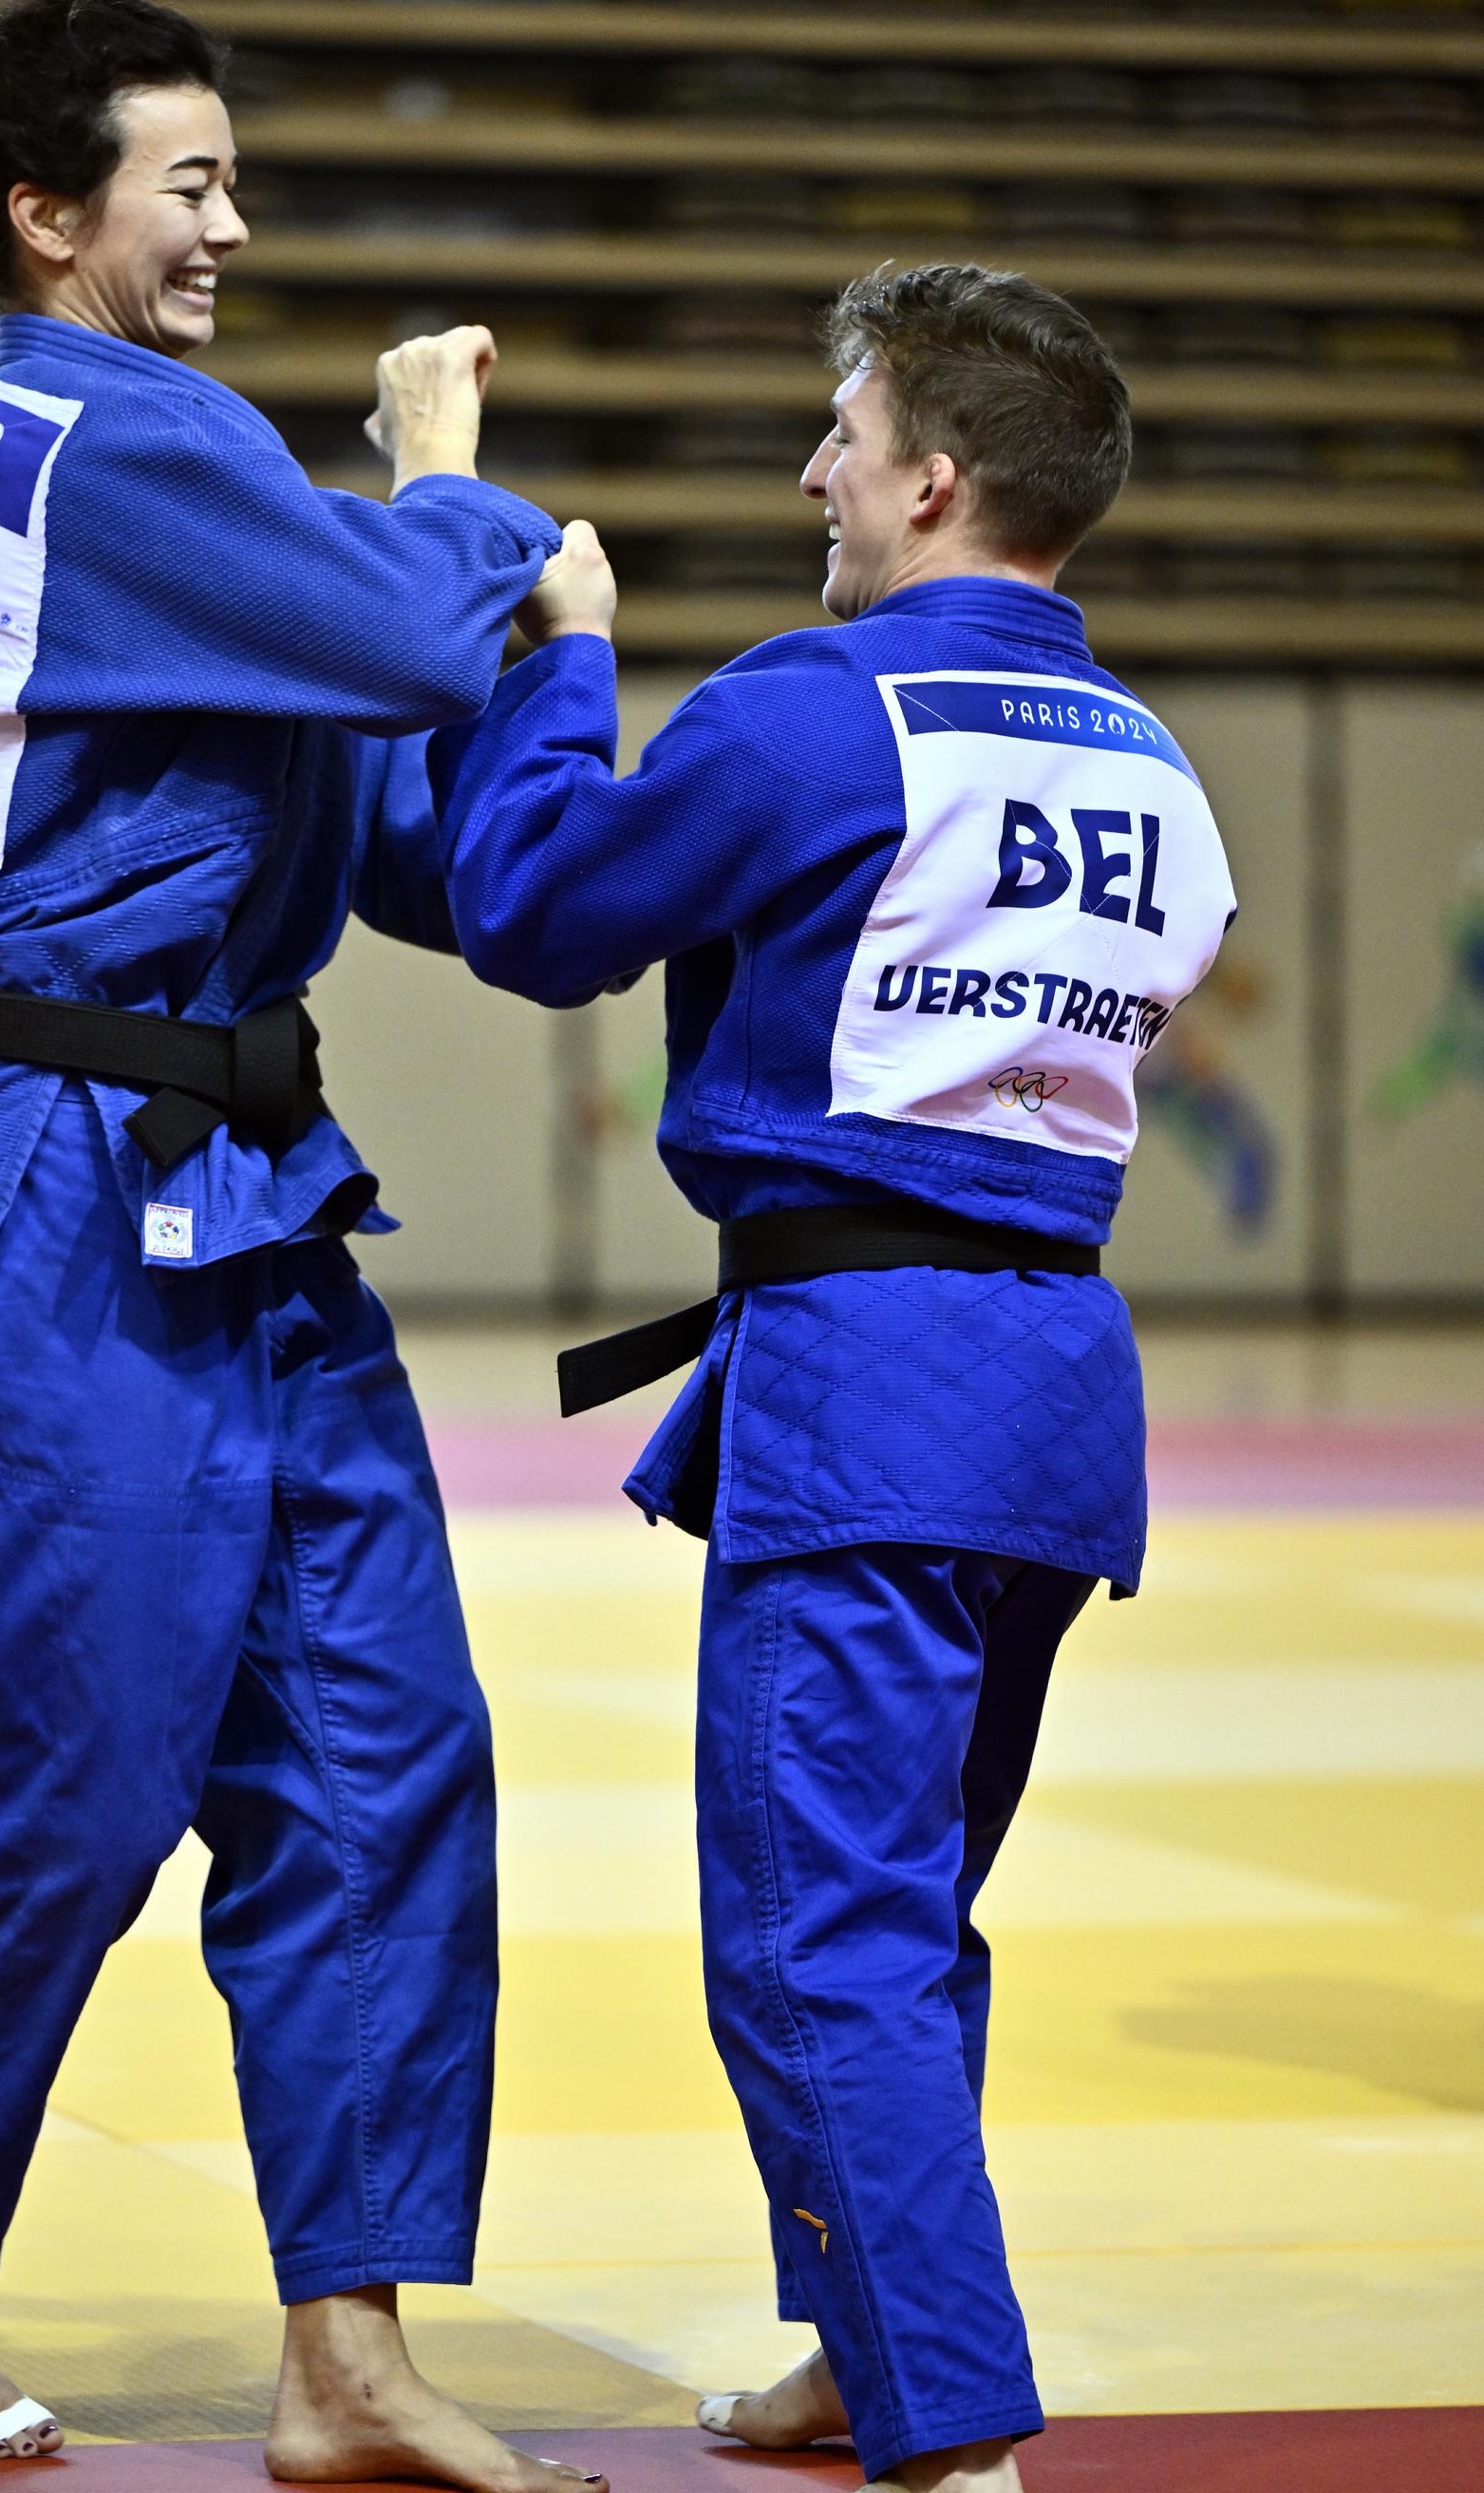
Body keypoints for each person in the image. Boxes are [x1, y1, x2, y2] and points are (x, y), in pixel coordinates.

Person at [0, 0, 601, 2493]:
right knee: (70, 1769)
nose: (235, 223)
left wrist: (594, 786)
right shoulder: (88, 431)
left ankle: (345, 2357)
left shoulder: (188, 468)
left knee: (379, 1757)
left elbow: (401, 841)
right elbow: (390, 624)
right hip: (44, 1206)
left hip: (256, 1208)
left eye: (235, 180)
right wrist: (446, 471)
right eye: (194, 184)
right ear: (55, 219)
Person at [431, 264, 1236, 2493]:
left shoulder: (822, 709)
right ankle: (862, 2339)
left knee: (817, 1939)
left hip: (868, 1390)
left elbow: (537, 912)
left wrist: (560, 655)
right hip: (1057, 1399)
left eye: (844, 438)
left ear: (938, 476)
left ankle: (949, 2420)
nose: (815, 473)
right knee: (903, 1919)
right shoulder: (1156, 768)